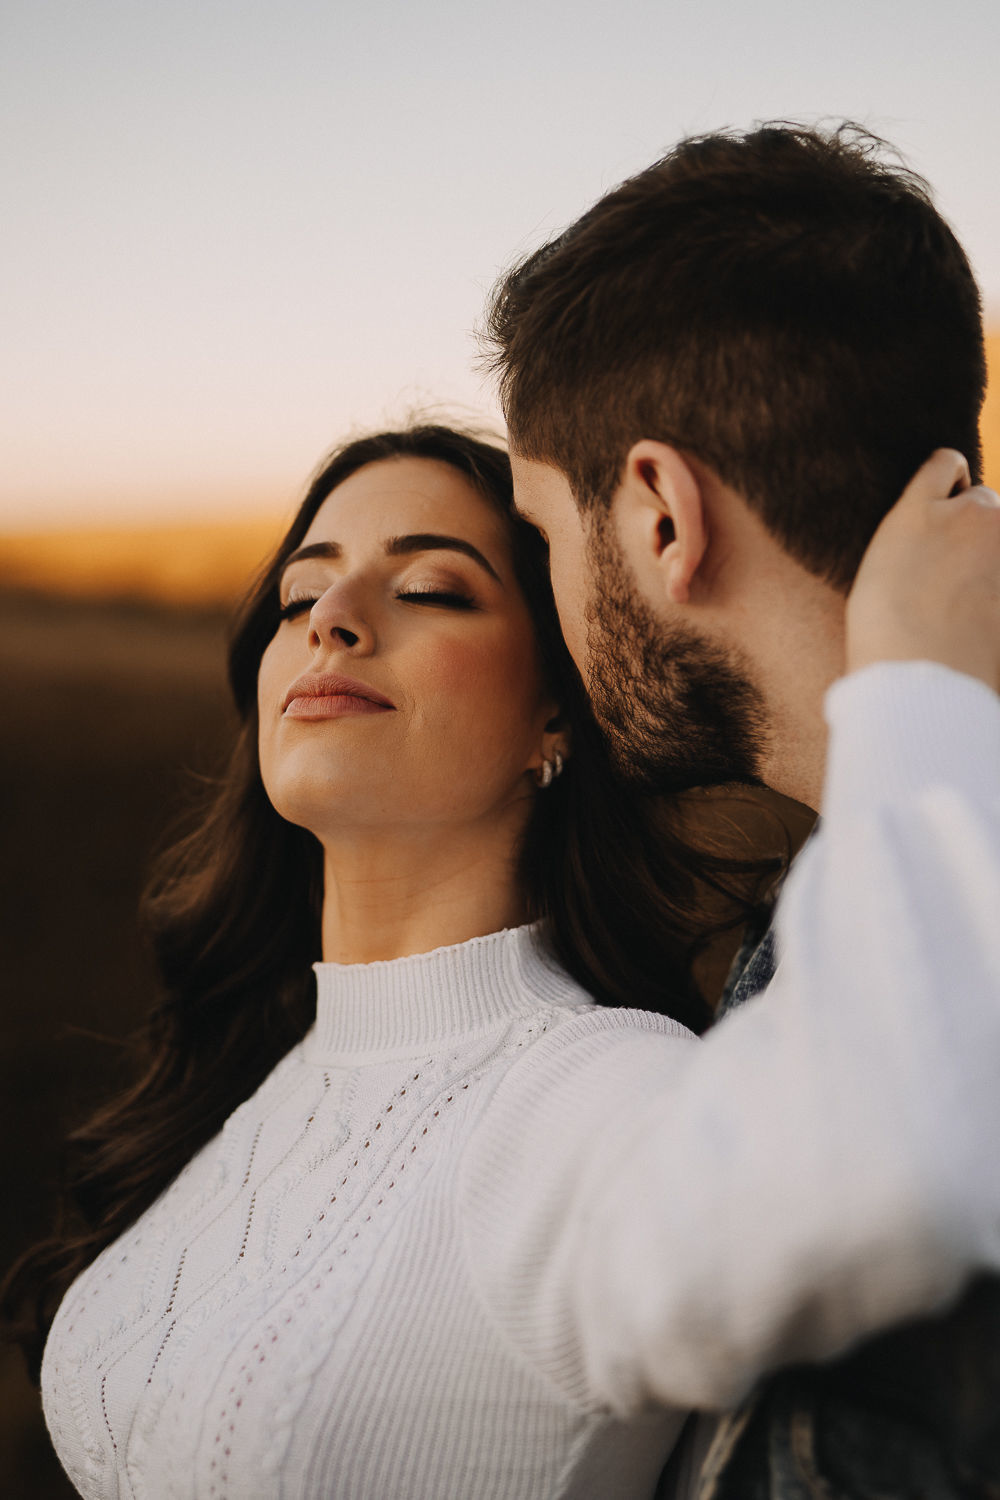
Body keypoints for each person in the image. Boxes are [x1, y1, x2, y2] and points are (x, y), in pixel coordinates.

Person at [483, 122, 1000, 1495]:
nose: (547, 605)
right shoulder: (834, 912)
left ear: (659, 516)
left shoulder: (936, 881)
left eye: (542, 537)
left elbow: (884, 1176)